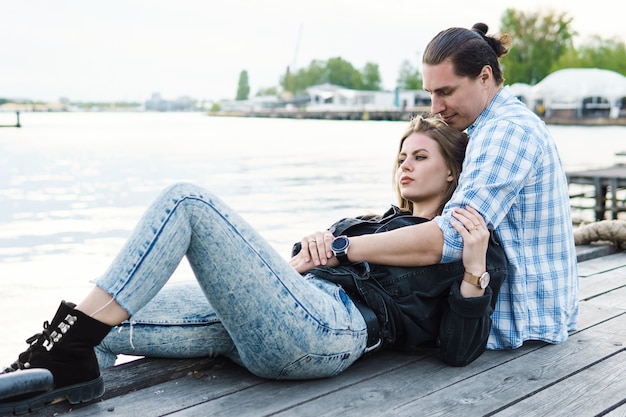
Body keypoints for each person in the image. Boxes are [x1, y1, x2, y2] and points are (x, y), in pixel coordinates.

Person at [0, 115, 506, 414]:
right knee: (106, 326)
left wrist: (473, 271)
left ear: (453, 171)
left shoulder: (464, 240)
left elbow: (459, 352)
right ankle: (48, 386)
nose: (405, 166)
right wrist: (306, 256)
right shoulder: (366, 220)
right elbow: (286, 275)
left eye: (420, 157)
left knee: (186, 201)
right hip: (271, 319)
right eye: (401, 157)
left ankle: (58, 350)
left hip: (332, 331)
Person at [317, 23, 579, 351]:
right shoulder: (492, 128)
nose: (435, 107)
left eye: (446, 92)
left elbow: (453, 238)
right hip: (514, 316)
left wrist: (343, 249)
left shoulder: (506, 133)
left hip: (517, 326)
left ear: (485, 77)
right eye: (430, 93)